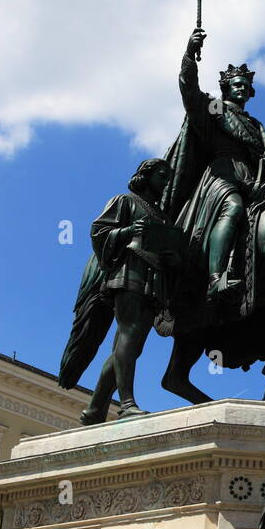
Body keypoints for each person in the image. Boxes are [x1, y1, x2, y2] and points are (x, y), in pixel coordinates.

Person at [59, 158, 181, 423]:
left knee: (130, 347)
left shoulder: (162, 216)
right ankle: (126, 405)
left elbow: (167, 249)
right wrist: (127, 231)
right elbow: (98, 232)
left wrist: (173, 258)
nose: (166, 182)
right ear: (146, 176)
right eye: (162, 175)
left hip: (153, 281)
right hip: (129, 273)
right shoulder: (124, 201)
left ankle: (94, 410)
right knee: (129, 334)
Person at [164, 27, 265, 304]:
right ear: (226, 87)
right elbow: (189, 91)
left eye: (245, 85)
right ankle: (216, 279)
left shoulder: (256, 125)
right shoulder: (215, 110)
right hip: (221, 177)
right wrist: (190, 54)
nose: (241, 88)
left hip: (254, 181)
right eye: (236, 84)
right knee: (234, 207)